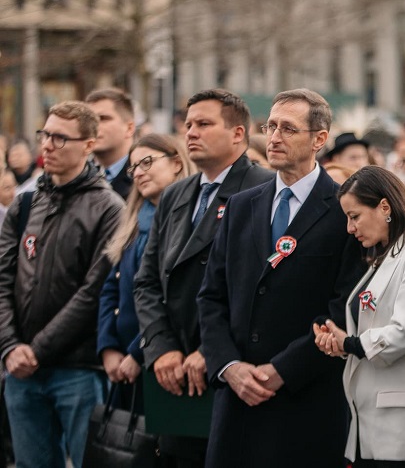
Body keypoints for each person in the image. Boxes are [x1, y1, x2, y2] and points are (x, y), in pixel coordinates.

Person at [198, 89, 365, 467]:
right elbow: (211, 296)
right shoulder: (241, 205)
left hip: (306, 401)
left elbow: (344, 306)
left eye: (288, 128)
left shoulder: (344, 210)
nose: (273, 137)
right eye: (270, 126)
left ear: (319, 139)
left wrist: (283, 370)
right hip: (238, 401)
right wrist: (228, 366)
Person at [134, 89, 273, 467]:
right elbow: (147, 281)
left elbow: (260, 288)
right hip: (173, 371)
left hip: (232, 372)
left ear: (238, 133)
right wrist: (161, 348)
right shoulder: (176, 194)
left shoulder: (265, 189)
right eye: (189, 123)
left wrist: (212, 351)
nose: (191, 132)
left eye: (204, 124)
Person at [0, 101, 124, 468]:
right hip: (20, 368)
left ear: (88, 145)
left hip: (78, 368)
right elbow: (3, 280)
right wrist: (9, 346)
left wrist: (38, 350)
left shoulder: (109, 208)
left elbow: (94, 291)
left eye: (60, 138)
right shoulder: (25, 205)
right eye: (45, 135)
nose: (47, 145)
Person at [314, 166, 405, 467]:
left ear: (384, 207)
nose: (350, 228)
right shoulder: (384, 257)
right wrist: (341, 343)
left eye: (355, 216)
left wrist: (350, 343)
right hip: (373, 424)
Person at [98, 134, 193, 411]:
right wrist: (108, 347)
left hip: (162, 358)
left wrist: (137, 354)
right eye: (133, 167)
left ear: (176, 163)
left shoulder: (190, 220)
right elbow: (112, 287)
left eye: (147, 162)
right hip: (121, 363)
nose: (138, 172)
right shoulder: (134, 220)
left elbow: (170, 299)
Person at [86, 87, 137, 199]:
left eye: (103, 118)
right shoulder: (76, 177)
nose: (93, 126)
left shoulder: (143, 177)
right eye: (89, 120)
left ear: (129, 128)